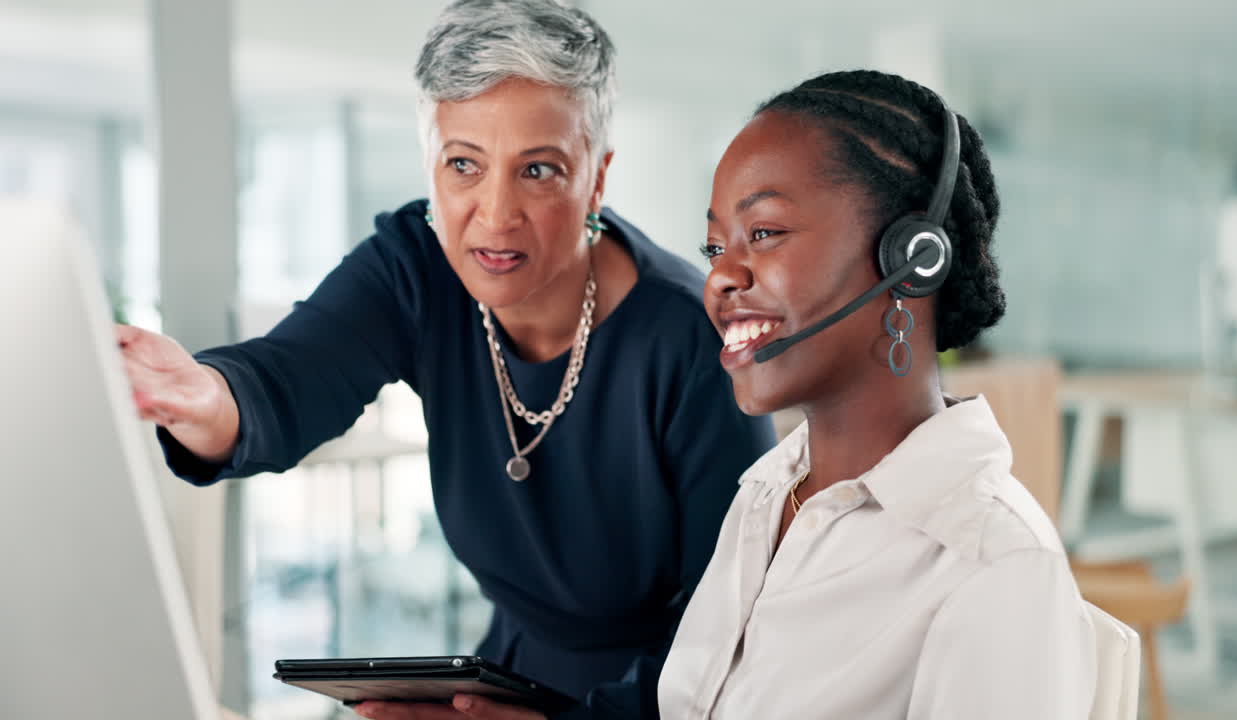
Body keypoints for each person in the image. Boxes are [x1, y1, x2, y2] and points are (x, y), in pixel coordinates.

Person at [116, 1, 774, 718]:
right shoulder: (415, 266)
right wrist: (208, 398)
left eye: (540, 171)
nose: (495, 214)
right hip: (503, 681)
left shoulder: (689, 339)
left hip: (661, 700)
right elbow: (285, 379)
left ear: (597, 178)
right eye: (464, 164)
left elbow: (734, 631)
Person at [657, 69, 1096, 718]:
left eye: (765, 232)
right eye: (715, 245)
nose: (720, 275)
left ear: (910, 259)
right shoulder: (768, 491)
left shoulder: (994, 565)